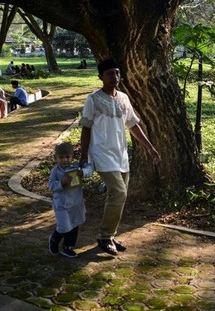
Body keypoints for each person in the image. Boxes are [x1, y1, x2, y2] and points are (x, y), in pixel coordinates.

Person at [79, 58, 161, 256]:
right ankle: (104, 236)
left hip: (121, 154)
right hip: (101, 153)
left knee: (117, 196)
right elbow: (86, 128)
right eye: (109, 73)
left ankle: (111, 235)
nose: (114, 77)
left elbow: (133, 125)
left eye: (117, 73)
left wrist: (150, 148)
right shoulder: (93, 100)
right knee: (119, 192)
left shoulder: (123, 98)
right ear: (101, 77)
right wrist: (84, 156)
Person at [48, 142, 93, 258]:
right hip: (61, 205)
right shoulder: (55, 172)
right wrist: (62, 183)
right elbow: (51, 186)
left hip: (76, 204)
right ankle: (54, 239)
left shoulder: (75, 169)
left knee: (74, 225)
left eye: (67, 157)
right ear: (56, 158)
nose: (65, 160)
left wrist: (82, 172)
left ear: (72, 157)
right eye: (61, 157)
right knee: (63, 226)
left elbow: (89, 169)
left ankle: (68, 247)